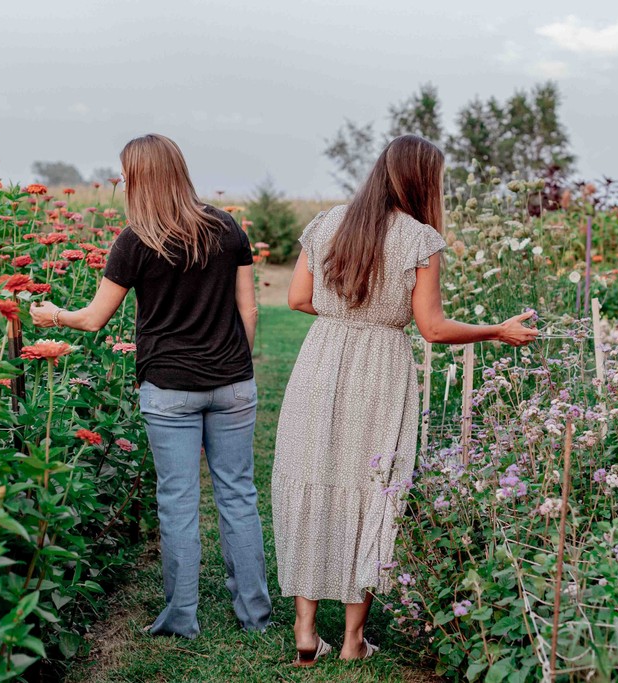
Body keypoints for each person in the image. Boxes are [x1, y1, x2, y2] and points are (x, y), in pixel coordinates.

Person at [272, 134, 537, 665]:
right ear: (422, 180)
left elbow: (298, 298)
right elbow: (433, 329)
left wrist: (342, 322)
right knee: (373, 486)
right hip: (382, 368)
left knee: (311, 474)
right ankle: (351, 641)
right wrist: (495, 331)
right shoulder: (420, 240)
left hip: (320, 360)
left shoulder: (327, 223)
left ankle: (305, 632)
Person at [30, 133, 271, 638]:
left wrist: (52, 315)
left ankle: (182, 618)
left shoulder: (135, 241)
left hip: (168, 389)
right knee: (239, 496)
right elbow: (248, 310)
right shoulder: (226, 228)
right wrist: (233, 366)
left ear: (138, 178)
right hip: (232, 383)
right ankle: (254, 616)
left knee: (179, 501)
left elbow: (95, 319)